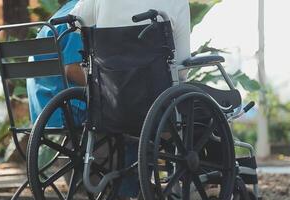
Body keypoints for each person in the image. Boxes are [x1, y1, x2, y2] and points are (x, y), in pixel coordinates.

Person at [69, 1, 191, 199]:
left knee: (134, 118)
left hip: (110, 105)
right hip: (156, 108)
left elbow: (74, 22)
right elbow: (183, 66)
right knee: (190, 110)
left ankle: (128, 191)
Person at [27, 0, 85, 127]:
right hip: (67, 110)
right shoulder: (79, 15)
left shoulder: (63, 13)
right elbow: (72, 69)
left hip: (43, 112)